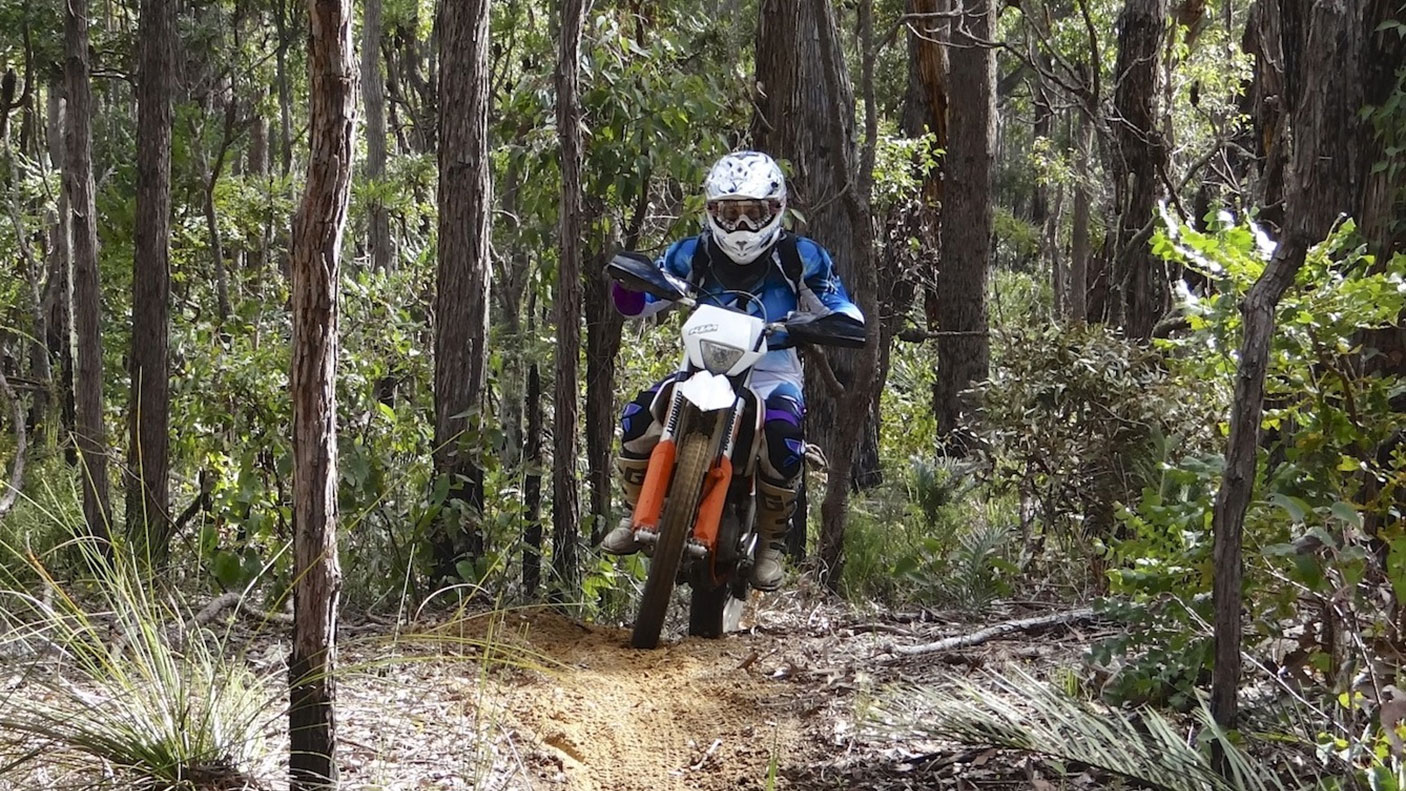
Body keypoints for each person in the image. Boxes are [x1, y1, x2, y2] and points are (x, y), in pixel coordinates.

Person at [599, 150, 865, 591]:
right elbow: (647, 298)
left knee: (784, 433)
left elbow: (834, 300)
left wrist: (834, 321)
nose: (741, 225)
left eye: (753, 212)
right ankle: (635, 512)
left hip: (771, 369)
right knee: (636, 417)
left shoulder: (801, 257)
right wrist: (630, 287)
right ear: (711, 211)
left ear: (775, 211)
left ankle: (770, 548)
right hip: (699, 366)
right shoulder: (691, 253)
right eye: (730, 212)